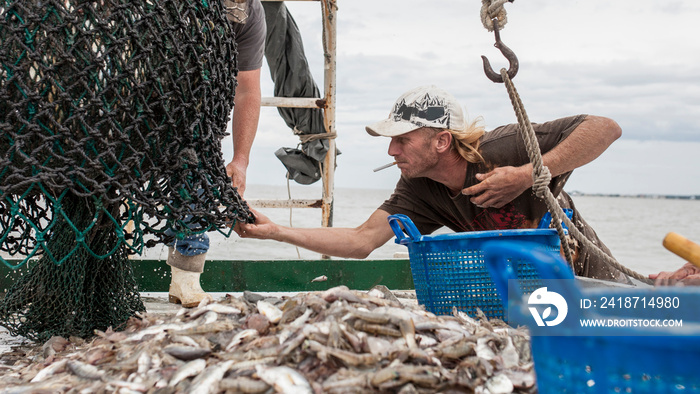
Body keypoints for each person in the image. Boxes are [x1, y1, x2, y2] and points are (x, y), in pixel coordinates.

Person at [235, 85, 639, 283]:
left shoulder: (502, 148)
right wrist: (275, 231)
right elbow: (360, 241)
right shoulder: (418, 187)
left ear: (441, 141)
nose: (391, 150)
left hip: (594, 278)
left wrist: (527, 174)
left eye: (402, 139)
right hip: (529, 292)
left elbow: (605, 128)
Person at [167, 0, 266, 307]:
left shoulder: (249, 11)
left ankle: (185, 278)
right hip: (130, 99)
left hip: (195, 110)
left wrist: (241, 159)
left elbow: (247, 88)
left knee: (199, 169)